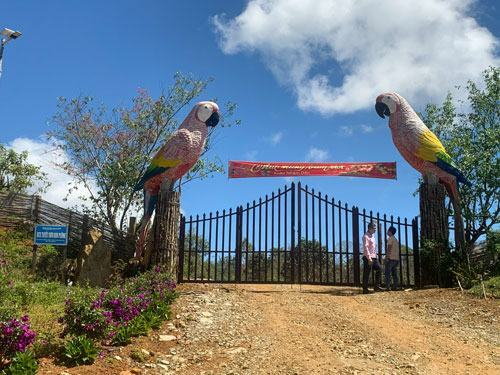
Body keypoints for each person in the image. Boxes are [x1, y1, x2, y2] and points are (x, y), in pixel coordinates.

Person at [362, 222, 382, 294]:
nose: (375, 230)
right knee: (367, 273)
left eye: (375, 228)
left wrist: (375, 256)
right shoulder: (365, 236)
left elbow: (373, 248)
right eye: (374, 228)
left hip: (374, 257)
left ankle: (376, 286)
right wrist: (369, 258)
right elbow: (366, 248)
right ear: (370, 228)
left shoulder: (373, 236)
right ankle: (365, 289)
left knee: (379, 268)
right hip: (368, 257)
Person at [384, 226, 400, 291]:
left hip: (391, 258)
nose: (387, 232)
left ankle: (388, 287)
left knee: (388, 273)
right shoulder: (396, 239)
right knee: (394, 273)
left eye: (388, 231)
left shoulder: (390, 238)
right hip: (396, 259)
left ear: (390, 232)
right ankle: (395, 286)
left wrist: (387, 257)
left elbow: (389, 248)